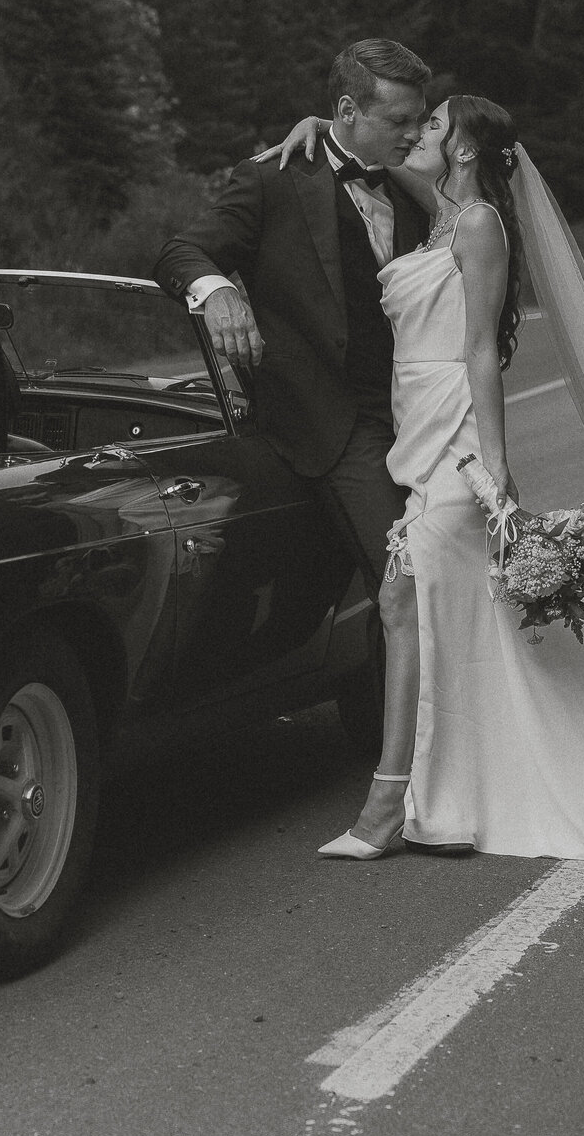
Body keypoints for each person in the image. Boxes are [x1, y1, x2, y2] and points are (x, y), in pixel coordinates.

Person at [273, 96, 584, 885]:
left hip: (456, 441)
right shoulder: (436, 216)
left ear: (461, 151)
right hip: (413, 434)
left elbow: (481, 350)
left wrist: (491, 467)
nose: (416, 132)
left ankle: (390, 805)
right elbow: (371, 151)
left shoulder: (478, 225)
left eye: (431, 125)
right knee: (421, 608)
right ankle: (442, 800)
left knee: (401, 599)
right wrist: (320, 129)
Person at [153, 38, 431, 778]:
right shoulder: (274, 179)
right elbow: (181, 252)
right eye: (399, 118)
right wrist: (218, 295)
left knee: (455, 573)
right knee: (407, 581)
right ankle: (420, 768)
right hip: (335, 424)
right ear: (347, 110)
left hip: (425, 417)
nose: (411, 133)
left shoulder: (412, 182)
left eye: (419, 119)